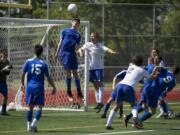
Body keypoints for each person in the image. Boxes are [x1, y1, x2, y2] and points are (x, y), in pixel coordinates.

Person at [105, 55, 159, 130]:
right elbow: (151, 78)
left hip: (119, 85)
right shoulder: (142, 71)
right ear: (142, 62)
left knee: (116, 106)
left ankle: (108, 125)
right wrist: (156, 74)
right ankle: (135, 119)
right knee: (134, 105)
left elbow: (133, 64)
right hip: (128, 87)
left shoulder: (130, 66)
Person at [21, 45, 56, 132]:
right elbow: (48, 77)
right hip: (39, 87)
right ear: (42, 52)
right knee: (39, 107)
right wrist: (54, 87)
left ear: (34, 51)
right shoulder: (44, 64)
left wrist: (22, 84)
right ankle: (34, 124)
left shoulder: (28, 62)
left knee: (30, 107)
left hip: (29, 87)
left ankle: (29, 126)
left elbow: (22, 73)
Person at [78, 32, 116, 113]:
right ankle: (99, 103)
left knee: (100, 83)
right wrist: (81, 53)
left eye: (93, 37)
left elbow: (107, 49)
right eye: (91, 36)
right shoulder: (88, 44)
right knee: (95, 86)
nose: (92, 38)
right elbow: (80, 49)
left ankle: (100, 102)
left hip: (99, 68)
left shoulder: (100, 45)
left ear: (97, 38)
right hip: (91, 68)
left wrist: (112, 52)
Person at [55, 18, 83, 104]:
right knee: (68, 71)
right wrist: (57, 53)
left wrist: (80, 53)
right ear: (72, 22)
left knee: (75, 72)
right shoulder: (65, 30)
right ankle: (69, 91)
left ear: (78, 24)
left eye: (77, 22)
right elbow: (60, 42)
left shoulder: (78, 34)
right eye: (74, 22)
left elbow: (78, 46)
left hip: (72, 53)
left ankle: (79, 91)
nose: (75, 23)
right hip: (65, 53)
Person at [0, 49, 12, 115]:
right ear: (1, 54)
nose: (6, 55)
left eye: (6, 53)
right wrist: (4, 69)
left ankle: (3, 111)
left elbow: (7, 73)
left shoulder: (7, 62)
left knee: (6, 96)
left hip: (3, 82)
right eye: (4, 53)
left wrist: (8, 70)